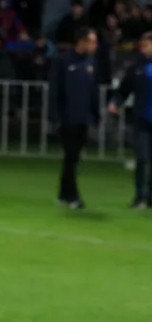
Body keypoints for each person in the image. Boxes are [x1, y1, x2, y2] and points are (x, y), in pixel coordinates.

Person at [48, 26, 99, 210]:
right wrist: (55, 116)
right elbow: (55, 90)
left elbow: (93, 91)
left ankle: (63, 193)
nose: (94, 45)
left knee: (73, 158)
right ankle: (73, 196)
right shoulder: (63, 61)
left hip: (83, 119)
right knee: (71, 157)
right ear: (82, 41)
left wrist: (96, 115)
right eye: (92, 41)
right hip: (67, 118)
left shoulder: (91, 62)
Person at [109, 31, 152, 209]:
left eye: (147, 44)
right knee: (142, 159)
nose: (143, 47)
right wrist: (115, 102)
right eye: (143, 44)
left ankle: (150, 197)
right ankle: (139, 195)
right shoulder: (137, 67)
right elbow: (124, 90)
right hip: (142, 120)